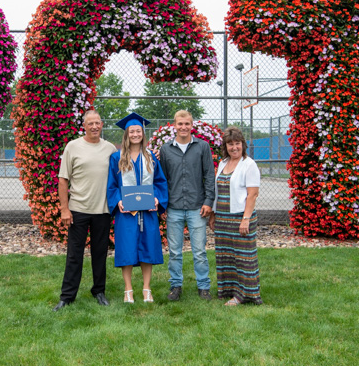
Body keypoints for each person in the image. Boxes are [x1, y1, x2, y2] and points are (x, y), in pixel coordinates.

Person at [53, 110, 117, 312]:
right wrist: (65, 209)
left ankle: (99, 291)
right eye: (90, 123)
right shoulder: (73, 147)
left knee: (100, 253)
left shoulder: (109, 149)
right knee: (74, 254)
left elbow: (120, 174)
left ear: (102, 124)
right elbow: (63, 179)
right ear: (84, 126)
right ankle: (67, 296)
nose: (94, 126)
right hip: (78, 209)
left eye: (97, 123)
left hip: (102, 210)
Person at [107, 113, 168, 303]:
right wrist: (118, 201)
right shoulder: (116, 158)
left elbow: (160, 182)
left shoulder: (151, 157)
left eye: (138, 131)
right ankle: (128, 290)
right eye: (131, 131)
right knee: (126, 250)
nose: (135, 134)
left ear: (143, 133)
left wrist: (158, 199)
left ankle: (146, 289)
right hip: (126, 213)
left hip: (148, 213)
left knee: (148, 249)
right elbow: (112, 185)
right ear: (126, 134)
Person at [159, 110, 215, 301]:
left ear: (192, 126)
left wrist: (209, 202)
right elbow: (163, 179)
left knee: (199, 251)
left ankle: (204, 286)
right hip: (174, 207)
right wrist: (164, 205)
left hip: (197, 207)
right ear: (174, 125)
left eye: (187, 124)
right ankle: (175, 285)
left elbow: (209, 175)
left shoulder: (202, 147)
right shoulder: (166, 150)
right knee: (174, 251)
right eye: (180, 124)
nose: (183, 127)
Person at [208, 127, 262, 306]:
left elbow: (252, 194)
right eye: (230, 144)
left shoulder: (249, 164)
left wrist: (245, 219)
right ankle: (228, 289)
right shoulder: (223, 163)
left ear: (243, 145)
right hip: (223, 218)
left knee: (243, 257)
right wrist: (214, 215)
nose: (234, 147)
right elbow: (218, 191)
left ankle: (244, 294)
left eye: (237, 143)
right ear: (225, 146)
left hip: (240, 217)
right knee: (226, 256)